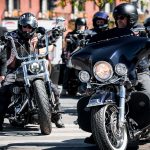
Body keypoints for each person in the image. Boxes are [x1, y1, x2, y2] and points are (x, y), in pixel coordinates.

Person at [78, 3, 150, 144]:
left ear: (132, 18)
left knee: (147, 93)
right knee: (93, 92)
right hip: (116, 71)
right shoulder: (114, 34)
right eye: (117, 18)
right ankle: (98, 129)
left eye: (122, 17)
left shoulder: (141, 31)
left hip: (139, 70)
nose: (119, 21)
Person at [0, 12, 64, 131]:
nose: (27, 29)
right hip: (15, 69)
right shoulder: (12, 36)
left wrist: (56, 32)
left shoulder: (36, 36)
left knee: (53, 88)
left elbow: (47, 40)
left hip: (33, 67)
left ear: (33, 27)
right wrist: (3, 42)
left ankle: (57, 115)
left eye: (29, 27)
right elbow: (4, 47)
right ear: (20, 26)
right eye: (25, 26)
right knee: (4, 90)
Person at [61, 17, 88, 96]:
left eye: (82, 26)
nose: (80, 27)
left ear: (85, 26)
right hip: (73, 57)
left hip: (84, 58)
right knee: (67, 69)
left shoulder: (87, 35)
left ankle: (83, 88)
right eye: (79, 25)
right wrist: (71, 39)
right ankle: (64, 88)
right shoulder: (71, 34)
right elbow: (67, 42)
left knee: (85, 71)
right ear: (76, 26)